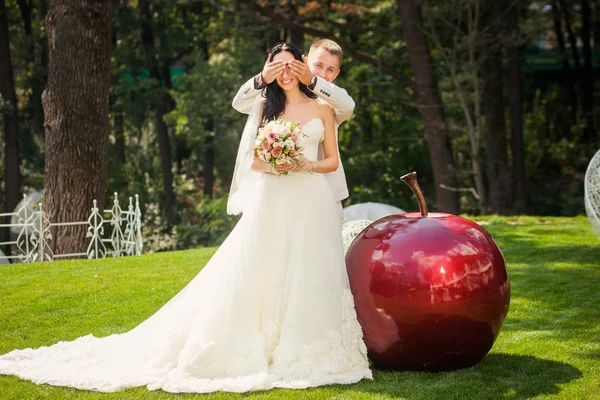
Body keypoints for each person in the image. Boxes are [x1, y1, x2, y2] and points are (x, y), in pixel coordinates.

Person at [0, 43, 372, 394]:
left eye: (295, 65)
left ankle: (308, 344)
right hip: (275, 198)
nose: (288, 71)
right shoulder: (265, 107)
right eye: (280, 65)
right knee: (265, 269)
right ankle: (261, 341)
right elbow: (250, 146)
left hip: (314, 199)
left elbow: (332, 152)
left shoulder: (327, 103)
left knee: (311, 270)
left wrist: (303, 156)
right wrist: (278, 150)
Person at [233, 39, 353, 222]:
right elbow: (239, 103)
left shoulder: (330, 101)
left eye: (330, 69)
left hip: (323, 191)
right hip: (276, 191)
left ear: (337, 74)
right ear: (305, 62)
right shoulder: (271, 102)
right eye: (318, 66)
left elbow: (348, 105)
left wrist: (312, 81)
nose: (322, 74)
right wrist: (263, 78)